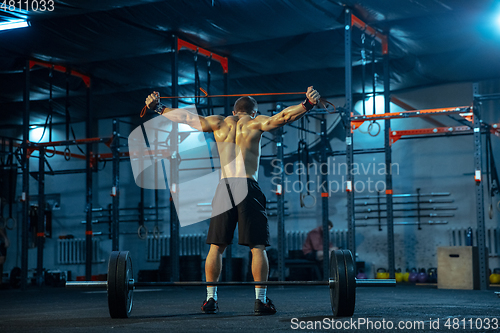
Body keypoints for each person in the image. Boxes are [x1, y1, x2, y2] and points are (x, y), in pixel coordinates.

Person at [146, 86, 321, 315]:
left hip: (224, 186)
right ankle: (261, 301)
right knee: (257, 247)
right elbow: (284, 117)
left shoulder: (219, 123)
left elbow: (187, 118)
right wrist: (307, 104)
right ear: (254, 113)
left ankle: (210, 299)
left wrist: (158, 108)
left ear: (233, 110)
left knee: (216, 248)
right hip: (247, 185)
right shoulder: (255, 123)